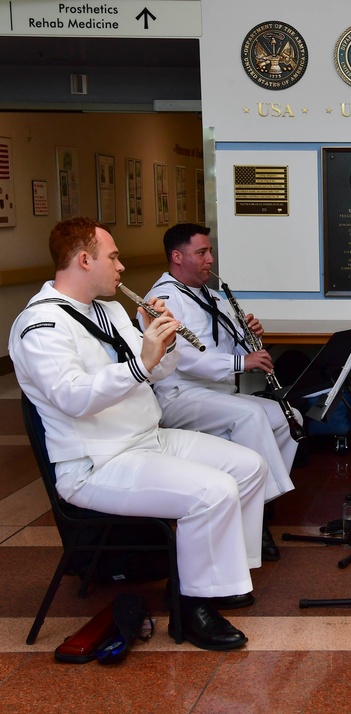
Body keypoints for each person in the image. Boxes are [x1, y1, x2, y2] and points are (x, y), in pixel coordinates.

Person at [10, 217, 269, 651]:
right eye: (113, 257)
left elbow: (153, 371)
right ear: (84, 259)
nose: (122, 267)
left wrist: (163, 344)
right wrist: (141, 362)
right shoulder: (41, 326)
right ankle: (193, 607)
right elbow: (73, 397)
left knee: (248, 467)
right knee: (214, 490)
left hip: (144, 438)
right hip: (97, 462)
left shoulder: (108, 309)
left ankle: (212, 580)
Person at [144, 223, 300, 561]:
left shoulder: (211, 295)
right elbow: (183, 358)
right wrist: (243, 362)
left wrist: (249, 336)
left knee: (289, 418)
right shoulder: (163, 299)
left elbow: (227, 345)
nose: (210, 259)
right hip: (181, 395)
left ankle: (257, 503)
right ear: (177, 256)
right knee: (252, 414)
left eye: (209, 251)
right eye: (201, 252)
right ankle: (256, 522)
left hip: (218, 394)